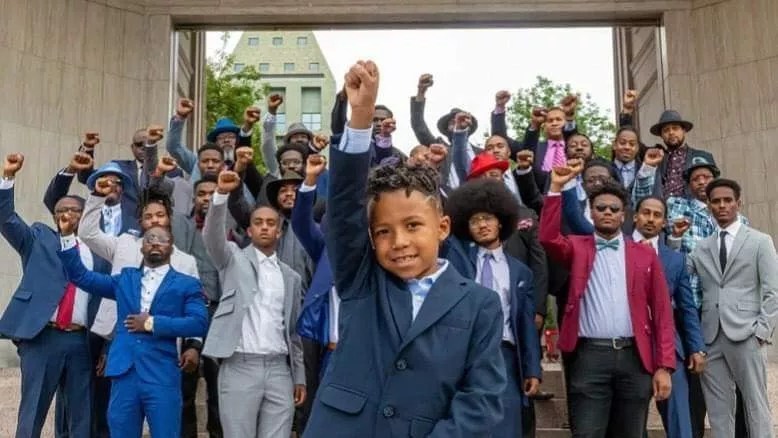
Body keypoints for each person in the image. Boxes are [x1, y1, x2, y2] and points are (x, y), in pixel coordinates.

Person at [304, 60, 506, 437]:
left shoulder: (480, 304)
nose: (398, 242)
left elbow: (481, 400)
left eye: (413, 226)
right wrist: (361, 115)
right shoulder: (362, 279)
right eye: (382, 231)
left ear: (442, 227)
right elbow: (346, 206)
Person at [539, 163, 675, 437]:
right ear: (591, 212)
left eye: (614, 209)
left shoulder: (645, 254)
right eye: (601, 208)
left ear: (624, 215)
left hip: (634, 357)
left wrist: (664, 366)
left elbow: (661, 312)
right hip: (589, 356)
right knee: (587, 432)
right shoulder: (577, 246)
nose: (608, 213)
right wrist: (555, 188)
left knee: (631, 433)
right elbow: (548, 237)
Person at [57, 220, 208, 438]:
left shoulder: (187, 283)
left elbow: (199, 323)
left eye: (162, 239)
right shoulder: (125, 279)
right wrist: (68, 238)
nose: (155, 243)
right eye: (150, 239)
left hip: (161, 373)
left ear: (172, 246)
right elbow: (83, 277)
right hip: (125, 372)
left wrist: (152, 323)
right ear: (142, 246)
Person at [0, 153, 103, 438]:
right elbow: (5, 217)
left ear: (86, 216)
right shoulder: (38, 239)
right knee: (32, 413)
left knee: (80, 417)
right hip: (43, 338)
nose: (64, 214)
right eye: (58, 211)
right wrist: (7, 177)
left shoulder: (99, 250)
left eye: (71, 209)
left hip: (82, 342)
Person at [201, 170, 306, 438]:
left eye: (271, 223)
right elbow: (212, 237)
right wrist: (221, 195)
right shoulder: (232, 259)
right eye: (258, 222)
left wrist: (299, 376)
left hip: (278, 369)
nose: (264, 227)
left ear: (279, 231)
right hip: (239, 365)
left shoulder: (291, 277)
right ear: (249, 230)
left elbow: (292, 331)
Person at [442, 178, 542, 438]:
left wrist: (532, 368)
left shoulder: (520, 271)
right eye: (474, 221)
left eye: (487, 218)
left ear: (500, 221)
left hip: (505, 355)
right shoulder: (456, 261)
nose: (482, 225)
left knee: (506, 423)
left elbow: (526, 324)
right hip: (463, 352)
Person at [687, 178, 778, 438]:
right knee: (718, 408)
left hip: (747, 334)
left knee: (755, 404)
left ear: (739, 203)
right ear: (709, 205)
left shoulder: (761, 241)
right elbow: (680, 271)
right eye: (716, 201)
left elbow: (773, 291)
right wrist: (673, 238)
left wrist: (762, 331)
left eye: (728, 200)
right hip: (711, 336)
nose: (722, 205)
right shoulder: (702, 247)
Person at [631, 196, 706, 438]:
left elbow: (687, 307)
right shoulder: (617, 250)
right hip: (627, 348)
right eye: (646, 213)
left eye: (657, 215)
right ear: (635, 216)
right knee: (629, 422)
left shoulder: (675, 259)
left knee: (680, 423)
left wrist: (696, 347)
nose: (651, 219)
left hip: (668, 350)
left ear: (664, 222)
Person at [648, 110, 716, 198]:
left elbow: (714, 189)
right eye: (666, 130)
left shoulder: (702, 157)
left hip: (692, 209)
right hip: (663, 208)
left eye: (675, 128)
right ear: (661, 135)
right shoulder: (655, 160)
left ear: (684, 131)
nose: (671, 132)